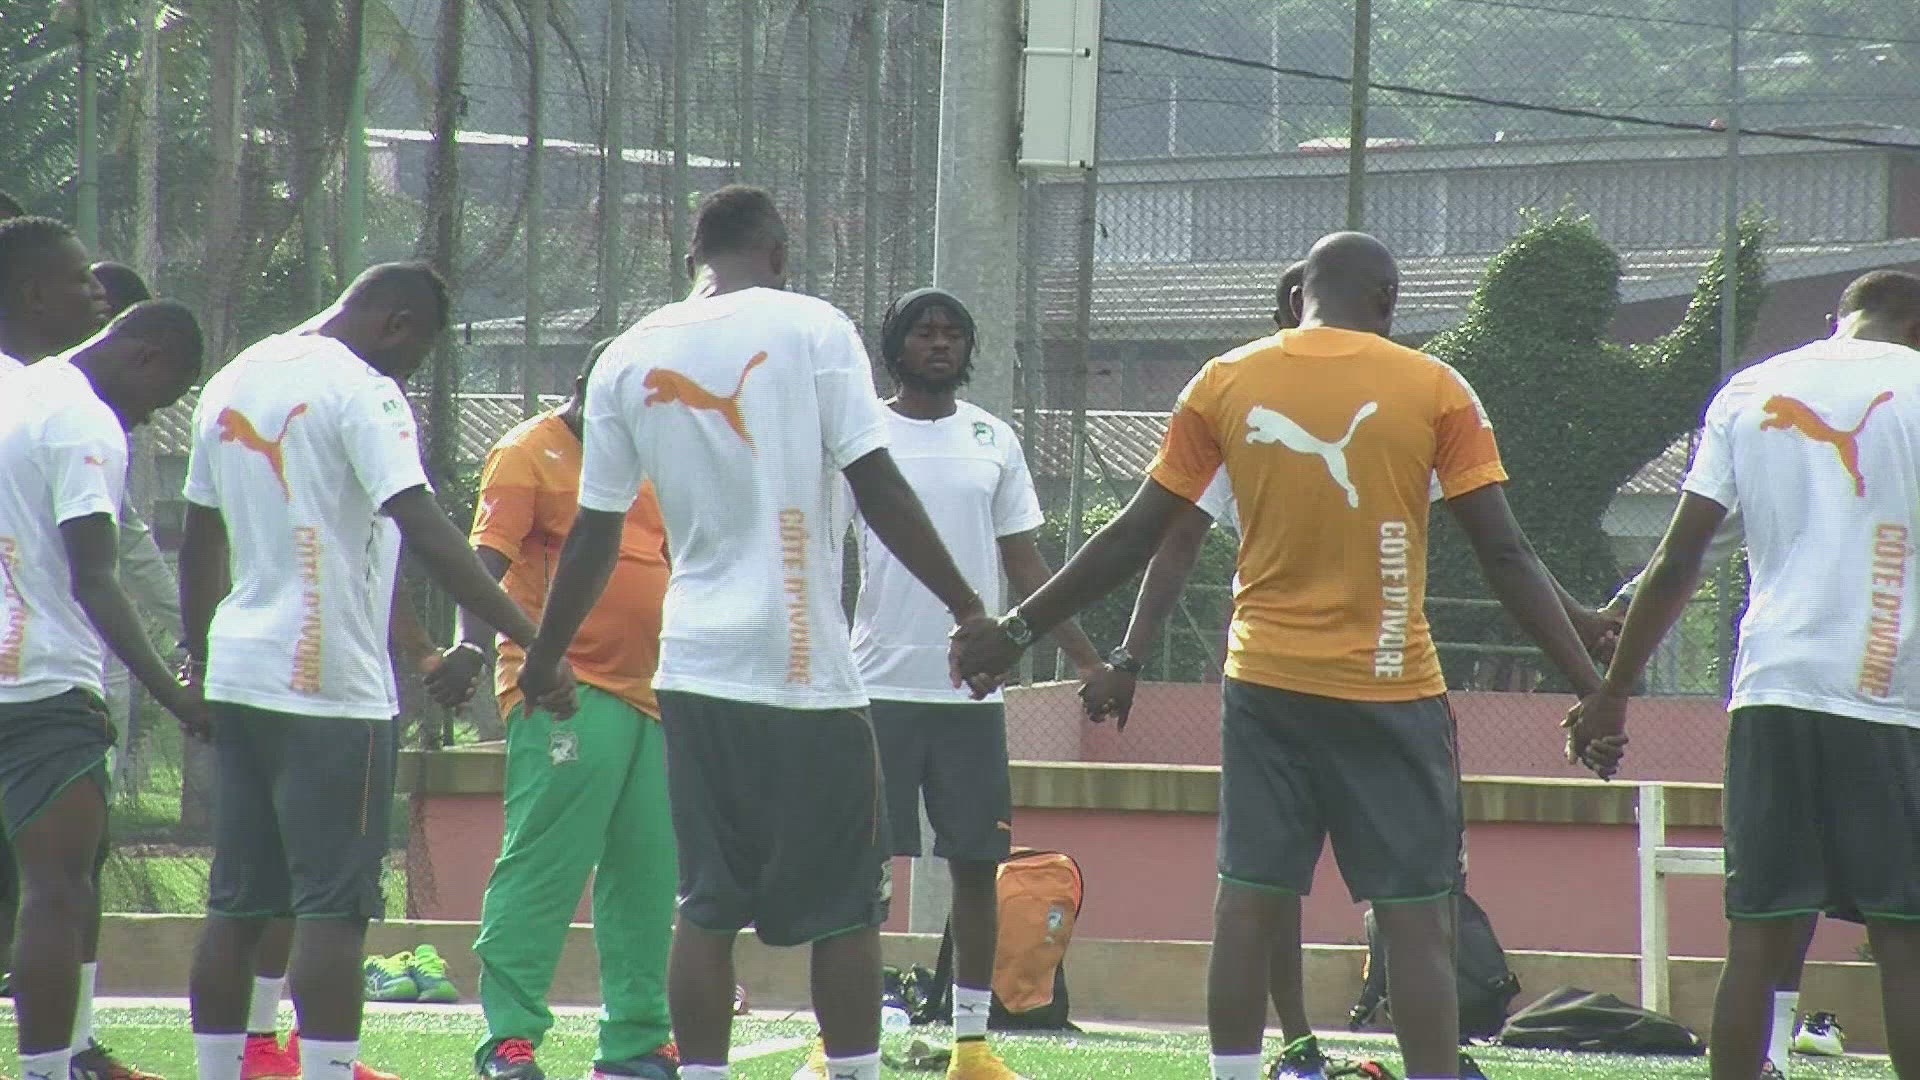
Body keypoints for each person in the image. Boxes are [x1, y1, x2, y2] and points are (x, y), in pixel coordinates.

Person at [953, 232, 1613, 1080]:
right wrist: (1592, 687)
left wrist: (1016, 630)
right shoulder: (1437, 387)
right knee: (1416, 917)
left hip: (1265, 688)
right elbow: (1506, 553)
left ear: (1299, 296)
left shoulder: (1223, 380)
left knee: (1249, 903)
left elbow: (1137, 535)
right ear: (1387, 300)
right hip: (1392, 692)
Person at [515, 185, 991, 1080]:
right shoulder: (813, 326)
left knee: (705, 905)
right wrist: (968, 609)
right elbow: (876, 481)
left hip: (693, 671)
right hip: (804, 671)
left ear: (694, 258)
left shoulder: (626, 354)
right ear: (778, 253)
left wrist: (545, 659)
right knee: (847, 910)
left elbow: (594, 531)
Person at [178, 263, 576, 1080]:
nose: (409, 371)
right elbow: (424, 528)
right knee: (335, 907)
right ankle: (328, 1067)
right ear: (397, 323)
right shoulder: (363, 390)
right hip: (330, 689)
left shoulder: (233, 379)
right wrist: (530, 642)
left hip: (241, 674)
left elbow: (200, 538)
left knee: (237, 902)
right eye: (417, 352)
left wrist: (200, 660)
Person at [1567, 269, 1920, 1080]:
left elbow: (1683, 553)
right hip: (1889, 693)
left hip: (1772, 690)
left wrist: (1613, 691)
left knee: (1756, 936)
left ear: (1838, 319)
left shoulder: (1752, 389)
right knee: (1904, 935)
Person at [847, 288, 1105, 1080]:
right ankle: (844, 1040)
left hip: (970, 696)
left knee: (973, 867)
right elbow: (825, 550)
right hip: (876, 688)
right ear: (895, 345)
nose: (939, 344)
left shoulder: (994, 438)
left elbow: (1025, 564)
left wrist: (1087, 659)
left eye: (953, 333)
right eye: (924, 332)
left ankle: (970, 1043)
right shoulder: (859, 434)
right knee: (859, 872)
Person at [419, 337, 679, 1080]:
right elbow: (485, 562)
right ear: (585, 383)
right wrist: (471, 646)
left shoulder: (648, 461)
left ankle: (636, 1039)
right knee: (546, 861)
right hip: (565, 687)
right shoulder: (528, 451)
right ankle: (509, 1037)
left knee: (647, 871)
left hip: (655, 694)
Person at [0, 301, 209, 1080]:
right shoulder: (85, 419)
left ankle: (74, 1057)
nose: (149, 419)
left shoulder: (15, 390)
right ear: (146, 357)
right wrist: (178, 696)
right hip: (44, 685)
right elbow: (97, 576)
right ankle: (49, 1069)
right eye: (161, 398)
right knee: (57, 890)